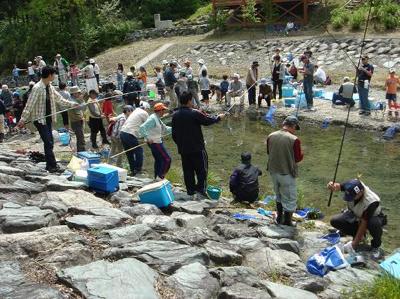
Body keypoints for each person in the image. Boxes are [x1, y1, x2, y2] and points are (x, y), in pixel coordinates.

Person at [17, 66, 78, 172]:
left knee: (49, 141)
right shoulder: (37, 88)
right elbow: (29, 105)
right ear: (49, 75)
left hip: (48, 118)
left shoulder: (49, 86)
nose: (55, 76)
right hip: (40, 119)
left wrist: (72, 104)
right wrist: (22, 120)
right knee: (48, 141)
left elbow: (59, 99)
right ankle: (52, 165)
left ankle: (50, 165)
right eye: (54, 74)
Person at [172, 91, 225, 198]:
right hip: (197, 149)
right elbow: (207, 121)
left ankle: (190, 191)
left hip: (183, 150)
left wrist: (181, 144)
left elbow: (174, 135)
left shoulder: (175, 115)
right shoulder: (194, 112)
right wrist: (219, 117)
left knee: (188, 171)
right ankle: (201, 190)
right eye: (191, 100)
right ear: (189, 101)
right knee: (202, 170)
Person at [327, 179, 387, 259]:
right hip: (356, 214)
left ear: (361, 192)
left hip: (372, 218)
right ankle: (358, 236)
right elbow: (338, 186)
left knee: (374, 223)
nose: (350, 199)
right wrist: (332, 186)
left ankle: (376, 246)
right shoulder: (351, 185)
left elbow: (364, 222)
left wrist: (354, 244)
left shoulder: (372, 201)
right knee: (335, 221)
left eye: (352, 197)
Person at [267, 115, 303, 226]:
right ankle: (287, 222)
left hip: (273, 170)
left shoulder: (271, 136)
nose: (295, 131)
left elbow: (269, 152)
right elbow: (298, 158)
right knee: (290, 197)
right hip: (286, 172)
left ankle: (279, 218)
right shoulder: (295, 140)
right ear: (293, 126)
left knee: (278, 194)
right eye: (295, 128)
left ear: (284, 125)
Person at [140, 103, 172, 180]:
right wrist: (147, 138)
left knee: (159, 160)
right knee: (167, 159)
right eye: (164, 110)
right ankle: (161, 177)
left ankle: (156, 177)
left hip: (156, 142)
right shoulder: (152, 119)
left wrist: (176, 128)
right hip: (155, 142)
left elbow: (166, 129)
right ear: (160, 111)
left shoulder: (158, 118)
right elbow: (142, 128)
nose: (164, 112)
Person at [120, 105, 149, 176]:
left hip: (122, 132)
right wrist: (147, 138)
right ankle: (138, 170)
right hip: (129, 133)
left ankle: (133, 170)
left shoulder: (135, 111)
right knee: (139, 151)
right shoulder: (145, 113)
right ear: (146, 108)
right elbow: (148, 126)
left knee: (129, 153)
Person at [68, 86, 86, 152]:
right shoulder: (72, 101)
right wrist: (82, 100)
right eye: (78, 93)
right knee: (80, 138)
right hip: (76, 122)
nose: (79, 94)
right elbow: (82, 108)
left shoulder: (73, 99)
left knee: (81, 137)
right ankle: (82, 152)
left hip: (78, 121)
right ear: (74, 93)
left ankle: (82, 151)